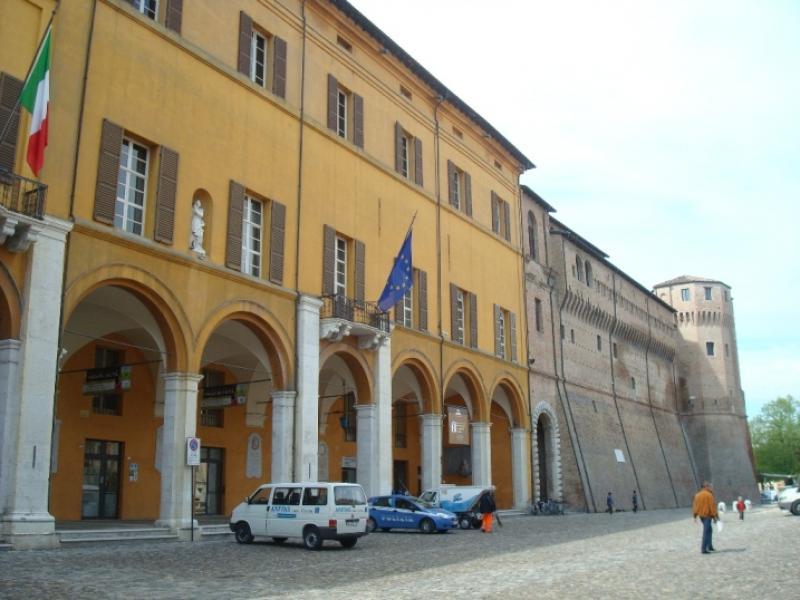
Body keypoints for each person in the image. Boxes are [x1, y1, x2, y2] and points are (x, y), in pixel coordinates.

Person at [692, 481, 719, 554]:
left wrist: (695, 516)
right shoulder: (709, 495)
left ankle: (710, 546)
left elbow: (695, 506)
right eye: (709, 486)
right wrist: (715, 516)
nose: (711, 487)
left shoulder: (697, 495)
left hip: (701, 515)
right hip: (707, 515)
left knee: (709, 530)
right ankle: (703, 549)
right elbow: (712, 507)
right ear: (706, 487)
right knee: (706, 531)